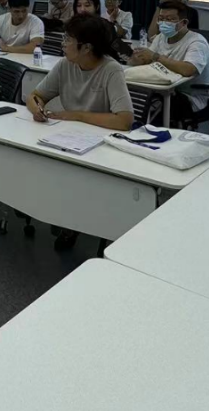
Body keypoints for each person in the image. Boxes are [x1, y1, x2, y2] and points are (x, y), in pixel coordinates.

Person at [27, 14, 135, 251]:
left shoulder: (111, 70)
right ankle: (60, 214)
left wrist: (75, 115)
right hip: (68, 138)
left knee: (73, 177)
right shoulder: (65, 65)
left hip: (101, 144)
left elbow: (124, 120)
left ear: (86, 47)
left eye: (68, 39)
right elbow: (36, 95)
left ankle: (75, 221)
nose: (63, 44)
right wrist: (37, 108)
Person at [129, 1, 209, 125]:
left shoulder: (197, 42)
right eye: (161, 19)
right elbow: (148, 60)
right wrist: (136, 58)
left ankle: (147, 131)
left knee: (148, 105)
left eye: (170, 19)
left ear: (184, 22)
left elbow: (188, 69)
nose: (164, 23)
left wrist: (156, 56)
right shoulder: (161, 37)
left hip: (188, 97)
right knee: (130, 95)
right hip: (160, 89)